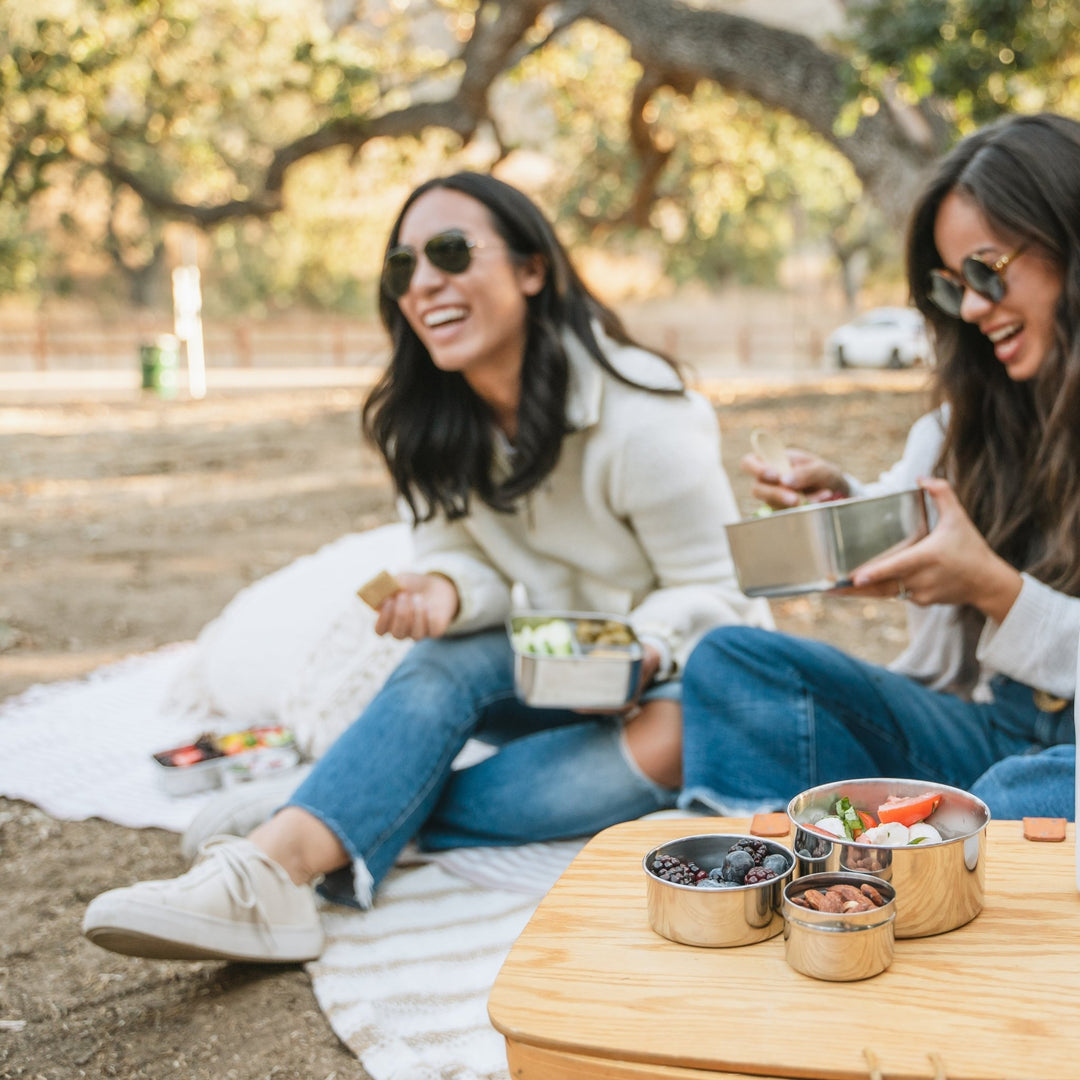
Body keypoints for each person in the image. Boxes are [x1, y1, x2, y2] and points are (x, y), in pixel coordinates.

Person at [82, 171, 770, 963]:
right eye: (403, 267)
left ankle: (318, 818)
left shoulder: (642, 413)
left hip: (675, 677)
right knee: (441, 660)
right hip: (550, 668)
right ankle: (274, 877)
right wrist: (441, 592)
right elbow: (461, 560)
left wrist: (639, 650)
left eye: (450, 251)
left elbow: (723, 592)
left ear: (532, 268)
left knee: (676, 739)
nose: (426, 282)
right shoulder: (430, 423)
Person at [677, 112, 1078, 825]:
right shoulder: (968, 424)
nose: (976, 308)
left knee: (1011, 800)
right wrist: (846, 506)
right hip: (993, 736)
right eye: (955, 285)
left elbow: (983, 579)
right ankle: (767, 886)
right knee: (731, 665)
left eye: (988, 270)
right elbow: (918, 518)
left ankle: (920, 858)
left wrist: (996, 591)